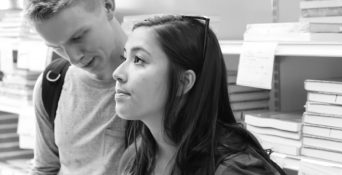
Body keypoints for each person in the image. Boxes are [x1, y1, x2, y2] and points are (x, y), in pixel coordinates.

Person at [113, 15, 286, 175]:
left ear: (184, 82)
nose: (117, 73)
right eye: (124, 57)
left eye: (138, 60)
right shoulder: (135, 158)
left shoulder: (234, 170)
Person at [24, 0, 127, 174]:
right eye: (56, 47)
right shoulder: (51, 84)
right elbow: (44, 169)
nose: (73, 58)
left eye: (77, 37)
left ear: (108, 6)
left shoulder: (160, 78)